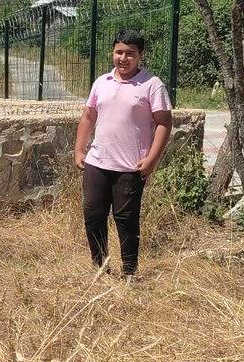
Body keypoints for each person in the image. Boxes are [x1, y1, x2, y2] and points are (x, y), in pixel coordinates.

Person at [74, 29, 172, 280]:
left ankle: (129, 273)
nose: (123, 58)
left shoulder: (152, 85)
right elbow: (88, 116)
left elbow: (163, 122)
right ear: (112, 52)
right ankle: (100, 269)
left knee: (126, 221)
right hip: (97, 162)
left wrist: (151, 159)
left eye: (130, 54)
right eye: (119, 52)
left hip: (130, 167)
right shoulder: (101, 82)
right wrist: (79, 149)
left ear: (140, 55)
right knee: (93, 217)